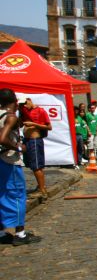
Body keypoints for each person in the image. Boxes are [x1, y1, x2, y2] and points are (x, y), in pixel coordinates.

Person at [0, 89, 41, 245]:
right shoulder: (10, 117)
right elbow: (2, 138)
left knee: (2, 195)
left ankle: (2, 232)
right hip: (9, 161)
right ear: (15, 102)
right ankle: (20, 234)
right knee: (17, 195)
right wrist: (18, 147)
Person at [19, 96, 52, 199]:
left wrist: (33, 124)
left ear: (29, 100)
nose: (24, 105)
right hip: (27, 140)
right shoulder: (23, 110)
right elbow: (20, 125)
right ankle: (40, 186)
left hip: (35, 140)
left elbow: (49, 127)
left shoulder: (40, 111)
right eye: (21, 104)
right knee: (32, 165)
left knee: (37, 166)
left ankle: (43, 190)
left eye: (25, 103)